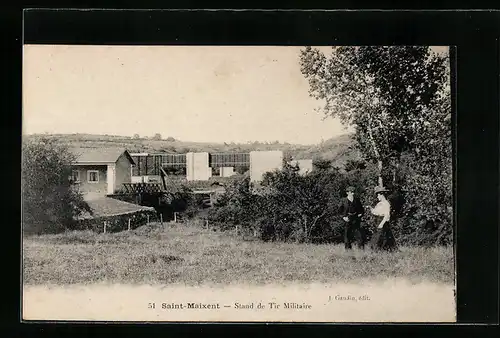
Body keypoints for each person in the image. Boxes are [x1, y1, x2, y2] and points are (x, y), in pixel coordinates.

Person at [368, 186, 397, 252]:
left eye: (378, 195)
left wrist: (381, 224)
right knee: (377, 237)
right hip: (378, 221)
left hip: (383, 222)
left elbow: (386, 215)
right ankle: (379, 251)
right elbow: (376, 212)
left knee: (380, 238)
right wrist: (370, 209)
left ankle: (380, 251)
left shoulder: (386, 204)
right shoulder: (379, 204)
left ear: (382, 195)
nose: (377, 197)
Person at [340, 186, 365, 250]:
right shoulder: (343, 201)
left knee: (359, 236)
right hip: (347, 220)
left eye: (353, 192)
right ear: (347, 193)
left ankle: (361, 250)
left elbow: (362, 210)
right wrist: (343, 217)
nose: (353, 194)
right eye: (351, 192)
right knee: (347, 236)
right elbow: (339, 211)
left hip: (356, 220)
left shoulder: (357, 200)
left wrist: (360, 214)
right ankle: (348, 251)